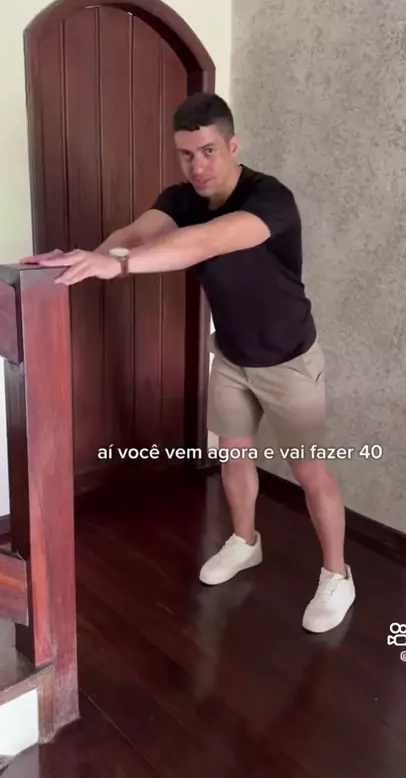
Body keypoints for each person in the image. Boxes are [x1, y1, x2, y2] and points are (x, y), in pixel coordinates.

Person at [21, 92, 355, 633]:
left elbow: (202, 244)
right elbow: (137, 234)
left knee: (310, 470)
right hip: (232, 356)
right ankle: (245, 541)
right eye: (186, 154)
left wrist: (116, 267)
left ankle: (338, 574)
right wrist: (94, 257)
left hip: (289, 360)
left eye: (208, 151)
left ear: (233, 146)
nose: (198, 166)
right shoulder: (180, 198)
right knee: (233, 455)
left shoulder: (269, 200)